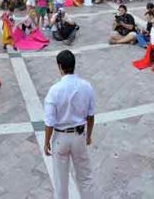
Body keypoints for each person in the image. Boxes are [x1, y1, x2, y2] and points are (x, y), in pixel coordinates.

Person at [43, 50, 96, 199]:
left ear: (60, 67)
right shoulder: (86, 86)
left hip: (60, 137)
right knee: (85, 177)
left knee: (61, 182)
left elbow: (49, 122)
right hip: (79, 135)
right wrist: (89, 135)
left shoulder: (54, 91)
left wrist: (46, 141)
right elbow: (91, 115)